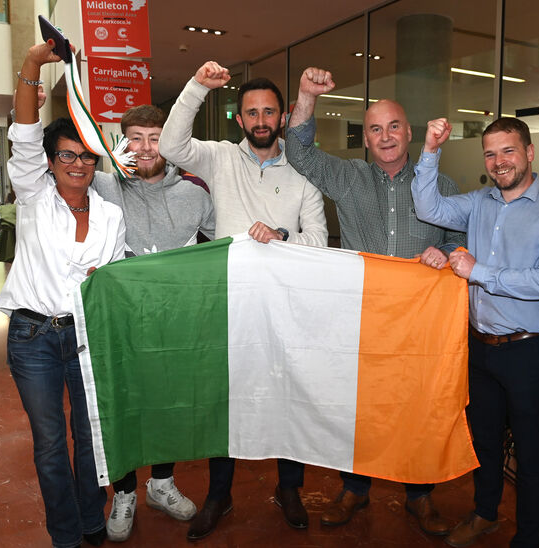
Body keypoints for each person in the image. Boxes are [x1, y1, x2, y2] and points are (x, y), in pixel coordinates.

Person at [285, 67, 466, 537]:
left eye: (393, 127)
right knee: (358, 406)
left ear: (409, 132)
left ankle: (419, 496)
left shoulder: (440, 187)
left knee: (418, 405)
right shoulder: (346, 178)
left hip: (419, 321)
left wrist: (444, 252)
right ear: (363, 138)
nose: (385, 137)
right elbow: (297, 150)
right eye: (374, 129)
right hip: (360, 316)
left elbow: (462, 240)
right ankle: (355, 489)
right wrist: (307, 96)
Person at [158, 61, 328, 540]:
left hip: (288, 309)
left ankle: (289, 488)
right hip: (230, 305)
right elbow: (171, 146)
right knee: (225, 401)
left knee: (288, 397)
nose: (259, 120)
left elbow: (320, 240)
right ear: (239, 119)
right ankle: (220, 494)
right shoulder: (219, 158)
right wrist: (195, 87)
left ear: (283, 116)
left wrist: (281, 235)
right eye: (251, 112)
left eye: (269, 112)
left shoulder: (304, 173)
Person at [411, 117, 539, 547]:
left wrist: (480, 272)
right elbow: (428, 208)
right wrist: (430, 149)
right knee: (484, 443)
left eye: (509, 151)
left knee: (532, 454)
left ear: (530, 152)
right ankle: (484, 514)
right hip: (480, 348)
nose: (499, 162)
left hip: (528, 352)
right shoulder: (480, 202)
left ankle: (529, 538)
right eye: (491, 153)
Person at [0, 41, 126, 548]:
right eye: (66, 155)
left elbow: (109, 284)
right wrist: (31, 64)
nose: (77, 164)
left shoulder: (112, 216)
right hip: (33, 338)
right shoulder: (33, 197)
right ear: (50, 163)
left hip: (86, 337)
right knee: (51, 445)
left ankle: (93, 521)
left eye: (86, 156)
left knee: (91, 436)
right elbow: (25, 132)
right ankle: (66, 535)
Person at [90, 104, 214, 541]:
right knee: (123, 403)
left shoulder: (196, 194)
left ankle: (161, 483)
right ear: (121, 142)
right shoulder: (100, 185)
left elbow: (226, 243)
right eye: (135, 138)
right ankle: (122, 492)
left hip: (177, 324)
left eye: (155, 138)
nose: (145, 148)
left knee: (170, 402)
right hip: (119, 323)